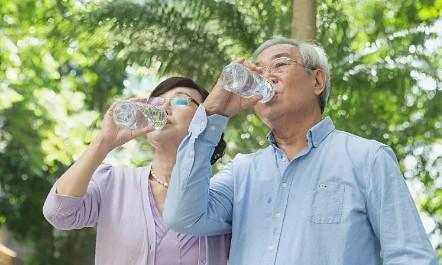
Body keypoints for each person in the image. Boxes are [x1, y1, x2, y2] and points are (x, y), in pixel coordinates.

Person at [163, 38, 438, 265]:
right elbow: (183, 216)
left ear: (317, 81)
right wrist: (212, 114)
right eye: (257, 71)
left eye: (280, 64)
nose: (266, 77)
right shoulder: (242, 171)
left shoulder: (368, 158)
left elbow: (410, 256)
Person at [43, 77, 230, 265]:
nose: (163, 108)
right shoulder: (112, 183)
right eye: (155, 103)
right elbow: (59, 214)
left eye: (180, 100)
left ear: (206, 118)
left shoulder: (223, 199)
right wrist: (104, 141)